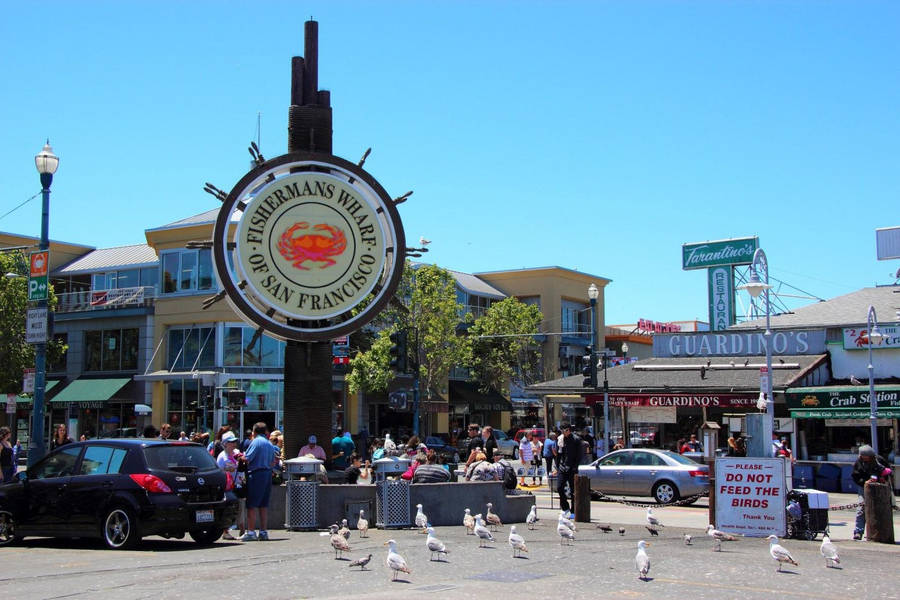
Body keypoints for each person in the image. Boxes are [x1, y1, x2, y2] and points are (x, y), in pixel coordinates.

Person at [241, 422, 278, 542]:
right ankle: (263, 532)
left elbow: (247, 458)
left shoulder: (256, 442)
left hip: (256, 474)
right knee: (263, 505)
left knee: (251, 504)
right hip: (267, 474)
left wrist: (239, 457)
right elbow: (273, 462)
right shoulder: (269, 444)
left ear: (255, 431)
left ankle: (251, 532)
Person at [851, 444, 891, 540]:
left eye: (868, 457)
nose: (866, 459)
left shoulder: (879, 460)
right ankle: (858, 532)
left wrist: (882, 479)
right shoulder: (858, 462)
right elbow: (855, 476)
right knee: (861, 508)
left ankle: (879, 532)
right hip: (864, 487)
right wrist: (864, 482)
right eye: (864, 457)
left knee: (880, 510)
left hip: (880, 488)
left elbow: (888, 472)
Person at [216, 431, 245, 540]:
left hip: (238, 484)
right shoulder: (222, 457)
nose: (234, 444)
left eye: (234, 441)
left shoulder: (237, 452)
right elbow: (219, 471)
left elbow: (243, 461)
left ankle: (242, 530)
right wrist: (227, 469)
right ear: (225, 444)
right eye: (231, 442)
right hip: (227, 487)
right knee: (228, 508)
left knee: (241, 506)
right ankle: (225, 531)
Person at [556, 423, 583, 514]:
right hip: (562, 466)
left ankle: (573, 510)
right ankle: (565, 507)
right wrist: (557, 466)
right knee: (559, 487)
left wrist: (575, 466)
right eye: (562, 431)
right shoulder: (561, 439)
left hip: (572, 467)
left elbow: (580, 455)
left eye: (565, 431)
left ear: (568, 430)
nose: (563, 433)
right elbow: (559, 454)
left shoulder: (576, 439)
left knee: (573, 490)